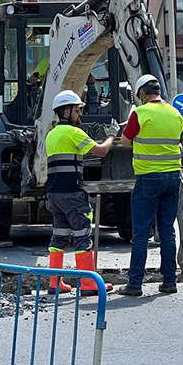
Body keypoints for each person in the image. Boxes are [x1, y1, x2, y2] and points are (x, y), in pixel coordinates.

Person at [116, 74, 183, 297]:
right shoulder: (175, 113)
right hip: (172, 177)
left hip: (148, 179)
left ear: (143, 93)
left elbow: (125, 141)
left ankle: (135, 284)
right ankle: (169, 281)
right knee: (167, 230)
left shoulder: (140, 113)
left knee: (141, 232)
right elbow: (181, 137)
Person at [44, 90, 118, 295]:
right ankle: (88, 284)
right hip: (73, 194)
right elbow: (101, 151)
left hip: (55, 194)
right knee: (83, 236)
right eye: (77, 110)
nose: (80, 114)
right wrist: (111, 135)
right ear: (66, 112)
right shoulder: (73, 133)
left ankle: (55, 283)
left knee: (58, 238)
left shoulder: (51, 134)